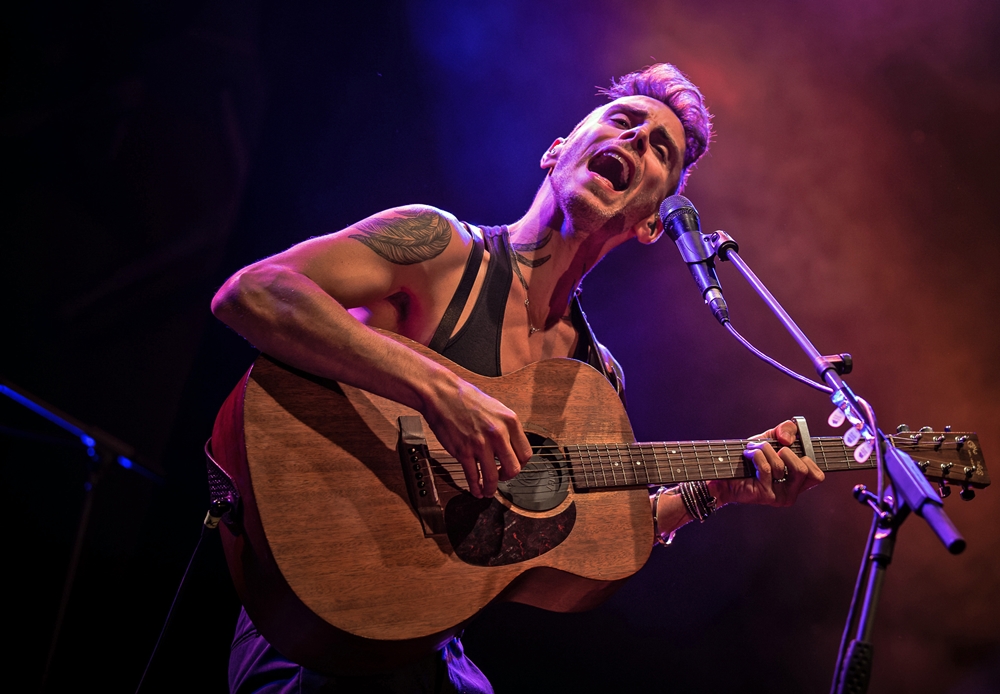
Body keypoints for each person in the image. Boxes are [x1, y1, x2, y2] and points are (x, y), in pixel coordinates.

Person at [211, 63, 826, 693]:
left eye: (660, 148)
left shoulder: (595, 377)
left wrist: (717, 490)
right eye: (624, 121)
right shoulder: (440, 250)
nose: (638, 139)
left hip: (432, 639)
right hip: (323, 612)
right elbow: (253, 292)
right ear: (557, 152)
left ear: (650, 224)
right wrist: (439, 389)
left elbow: (593, 537)